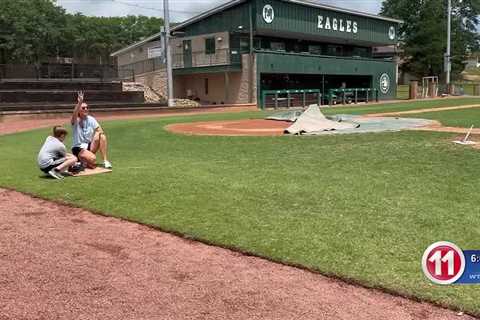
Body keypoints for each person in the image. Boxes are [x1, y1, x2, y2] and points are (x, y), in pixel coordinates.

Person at [71, 91, 112, 169]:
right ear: (79, 110)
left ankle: (105, 161)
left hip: (89, 145)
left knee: (102, 136)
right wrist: (79, 103)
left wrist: (97, 134)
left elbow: (100, 130)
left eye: (87, 107)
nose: (86, 109)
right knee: (92, 159)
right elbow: (74, 114)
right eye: (83, 108)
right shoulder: (76, 120)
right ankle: (83, 161)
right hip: (78, 148)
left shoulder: (91, 119)